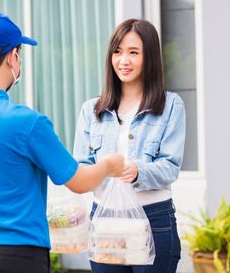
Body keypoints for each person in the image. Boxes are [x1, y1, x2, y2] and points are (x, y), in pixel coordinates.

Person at [0, 11, 124, 273]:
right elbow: (79, 181)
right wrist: (109, 165)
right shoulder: (27, 122)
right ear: (13, 57)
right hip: (17, 256)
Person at [73, 19, 185, 272]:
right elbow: (81, 166)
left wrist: (138, 172)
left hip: (153, 218)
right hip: (105, 218)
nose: (123, 61)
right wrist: (101, 170)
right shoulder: (91, 110)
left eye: (133, 52)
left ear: (150, 57)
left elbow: (171, 166)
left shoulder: (170, 106)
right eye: (117, 52)